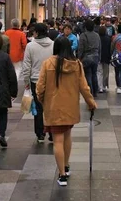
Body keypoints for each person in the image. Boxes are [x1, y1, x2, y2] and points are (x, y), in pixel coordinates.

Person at [36, 37, 97, 186]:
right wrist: (91, 103)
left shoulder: (48, 63)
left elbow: (40, 87)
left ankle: (62, 175)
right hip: (70, 107)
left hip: (54, 107)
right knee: (67, 135)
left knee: (57, 140)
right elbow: (84, 87)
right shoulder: (77, 65)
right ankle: (67, 165)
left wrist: (43, 100)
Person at [22, 23, 54, 143]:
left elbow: (27, 65)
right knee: (50, 107)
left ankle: (40, 133)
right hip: (51, 79)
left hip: (36, 80)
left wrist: (26, 81)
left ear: (37, 33)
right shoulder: (54, 44)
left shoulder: (30, 46)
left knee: (39, 108)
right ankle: (52, 133)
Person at [78, 19, 101, 98]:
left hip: (86, 58)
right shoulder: (97, 35)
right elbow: (99, 47)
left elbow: (80, 48)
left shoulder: (83, 35)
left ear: (86, 27)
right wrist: (99, 57)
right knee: (94, 74)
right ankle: (95, 91)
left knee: (88, 74)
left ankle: (90, 92)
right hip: (95, 57)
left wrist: (79, 58)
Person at [98, 25, 112, 92]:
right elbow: (110, 48)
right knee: (105, 72)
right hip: (106, 57)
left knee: (99, 72)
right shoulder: (108, 38)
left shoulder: (97, 38)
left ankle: (99, 86)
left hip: (99, 56)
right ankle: (104, 85)